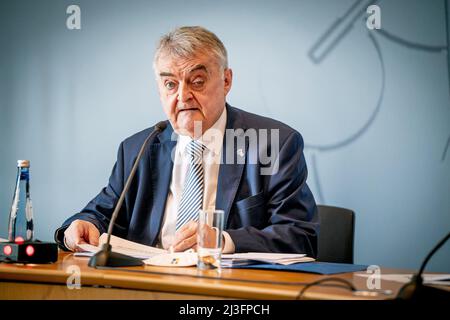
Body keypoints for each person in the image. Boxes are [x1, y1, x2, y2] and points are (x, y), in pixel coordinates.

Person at [54, 26, 319, 256]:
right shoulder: (138, 148)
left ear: (226, 81)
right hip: (146, 284)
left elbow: (300, 236)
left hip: (228, 289)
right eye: (170, 84)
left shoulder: (273, 144)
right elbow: (99, 215)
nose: (183, 96)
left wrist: (222, 240)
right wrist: (80, 227)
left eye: (197, 81)